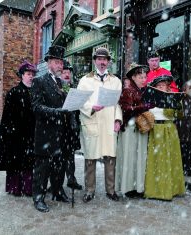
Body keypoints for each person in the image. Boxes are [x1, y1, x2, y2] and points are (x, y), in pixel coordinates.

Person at [77, 47, 122, 202]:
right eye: (99, 59)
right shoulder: (85, 80)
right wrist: (91, 108)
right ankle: (89, 190)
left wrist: (117, 119)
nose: (102, 62)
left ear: (108, 62)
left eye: (105, 59)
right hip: (92, 122)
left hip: (109, 123)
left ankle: (111, 190)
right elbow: (80, 102)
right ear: (95, 61)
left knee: (110, 158)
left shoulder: (116, 81)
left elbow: (117, 104)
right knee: (90, 159)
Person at [31, 45, 71, 213]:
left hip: (61, 132)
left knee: (59, 165)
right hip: (46, 132)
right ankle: (38, 197)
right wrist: (55, 112)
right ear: (49, 63)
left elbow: (65, 105)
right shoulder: (39, 81)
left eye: (61, 63)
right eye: (56, 62)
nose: (60, 66)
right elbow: (36, 106)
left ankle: (57, 191)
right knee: (43, 167)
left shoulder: (62, 83)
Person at [0, 61, 37, 197]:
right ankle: (15, 188)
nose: (31, 76)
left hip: (31, 134)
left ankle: (28, 187)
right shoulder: (14, 92)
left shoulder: (36, 92)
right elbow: (8, 116)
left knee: (29, 161)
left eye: (32, 74)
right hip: (16, 134)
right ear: (22, 76)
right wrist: (11, 132)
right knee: (16, 161)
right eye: (28, 74)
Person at [144, 75, 185, 200]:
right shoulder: (150, 98)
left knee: (170, 159)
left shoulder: (172, 97)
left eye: (164, 85)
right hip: (155, 130)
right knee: (155, 160)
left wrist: (177, 106)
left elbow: (180, 116)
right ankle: (155, 190)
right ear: (155, 87)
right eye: (159, 85)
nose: (162, 87)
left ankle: (171, 189)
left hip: (169, 129)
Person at [116, 63, 152, 198]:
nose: (144, 80)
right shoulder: (128, 91)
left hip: (140, 127)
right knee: (130, 158)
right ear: (133, 77)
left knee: (139, 158)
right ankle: (129, 187)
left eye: (145, 77)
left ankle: (138, 187)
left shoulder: (143, 90)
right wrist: (143, 107)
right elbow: (126, 109)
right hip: (130, 129)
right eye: (141, 77)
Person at [60, 60, 82, 190]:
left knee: (70, 155)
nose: (67, 74)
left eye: (68, 72)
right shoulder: (57, 87)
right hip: (60, 127)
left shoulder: (75, 88)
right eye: (64, 72)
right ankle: (56, 183)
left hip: (72, 127)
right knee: (58, 157)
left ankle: (71, 179)